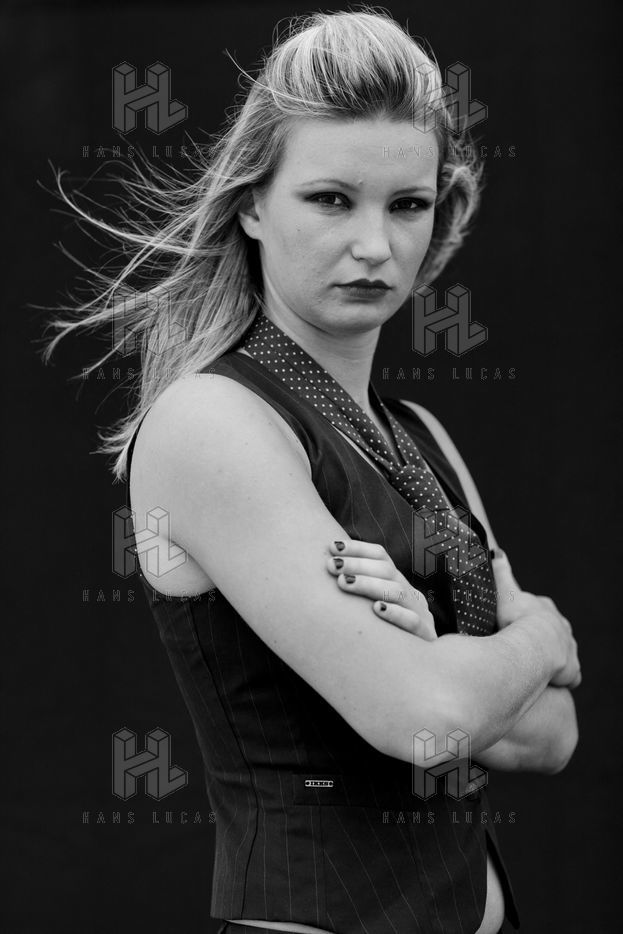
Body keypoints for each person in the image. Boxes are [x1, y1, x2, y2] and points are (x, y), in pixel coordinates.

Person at [42, 7, 580, 933]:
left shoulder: (420, 435)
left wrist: (442, 661)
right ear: (252, 205)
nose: (375, 245)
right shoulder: (211, 421)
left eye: (406, 205)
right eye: (331, 199)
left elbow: (553, 736)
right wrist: (537, 637)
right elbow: (426, 722)